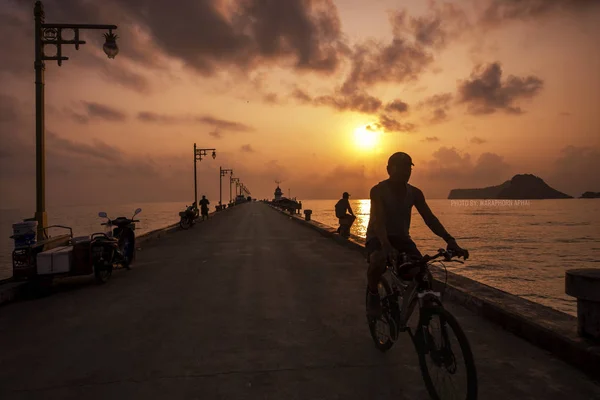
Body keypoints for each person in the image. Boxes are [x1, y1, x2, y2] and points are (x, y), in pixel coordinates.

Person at [365, 152, 467, 318]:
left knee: (425, 276)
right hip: (378, 237)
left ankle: (426, 319)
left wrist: (450, 240)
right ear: (389, 169)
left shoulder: (415, 193)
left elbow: (430, 219)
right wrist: (386, 246)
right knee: (378, 260)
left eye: (408, 167)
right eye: (401, 167)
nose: (406, 171)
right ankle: (373, 294)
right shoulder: (378, 191)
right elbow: (378, 222)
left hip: (402, 239)